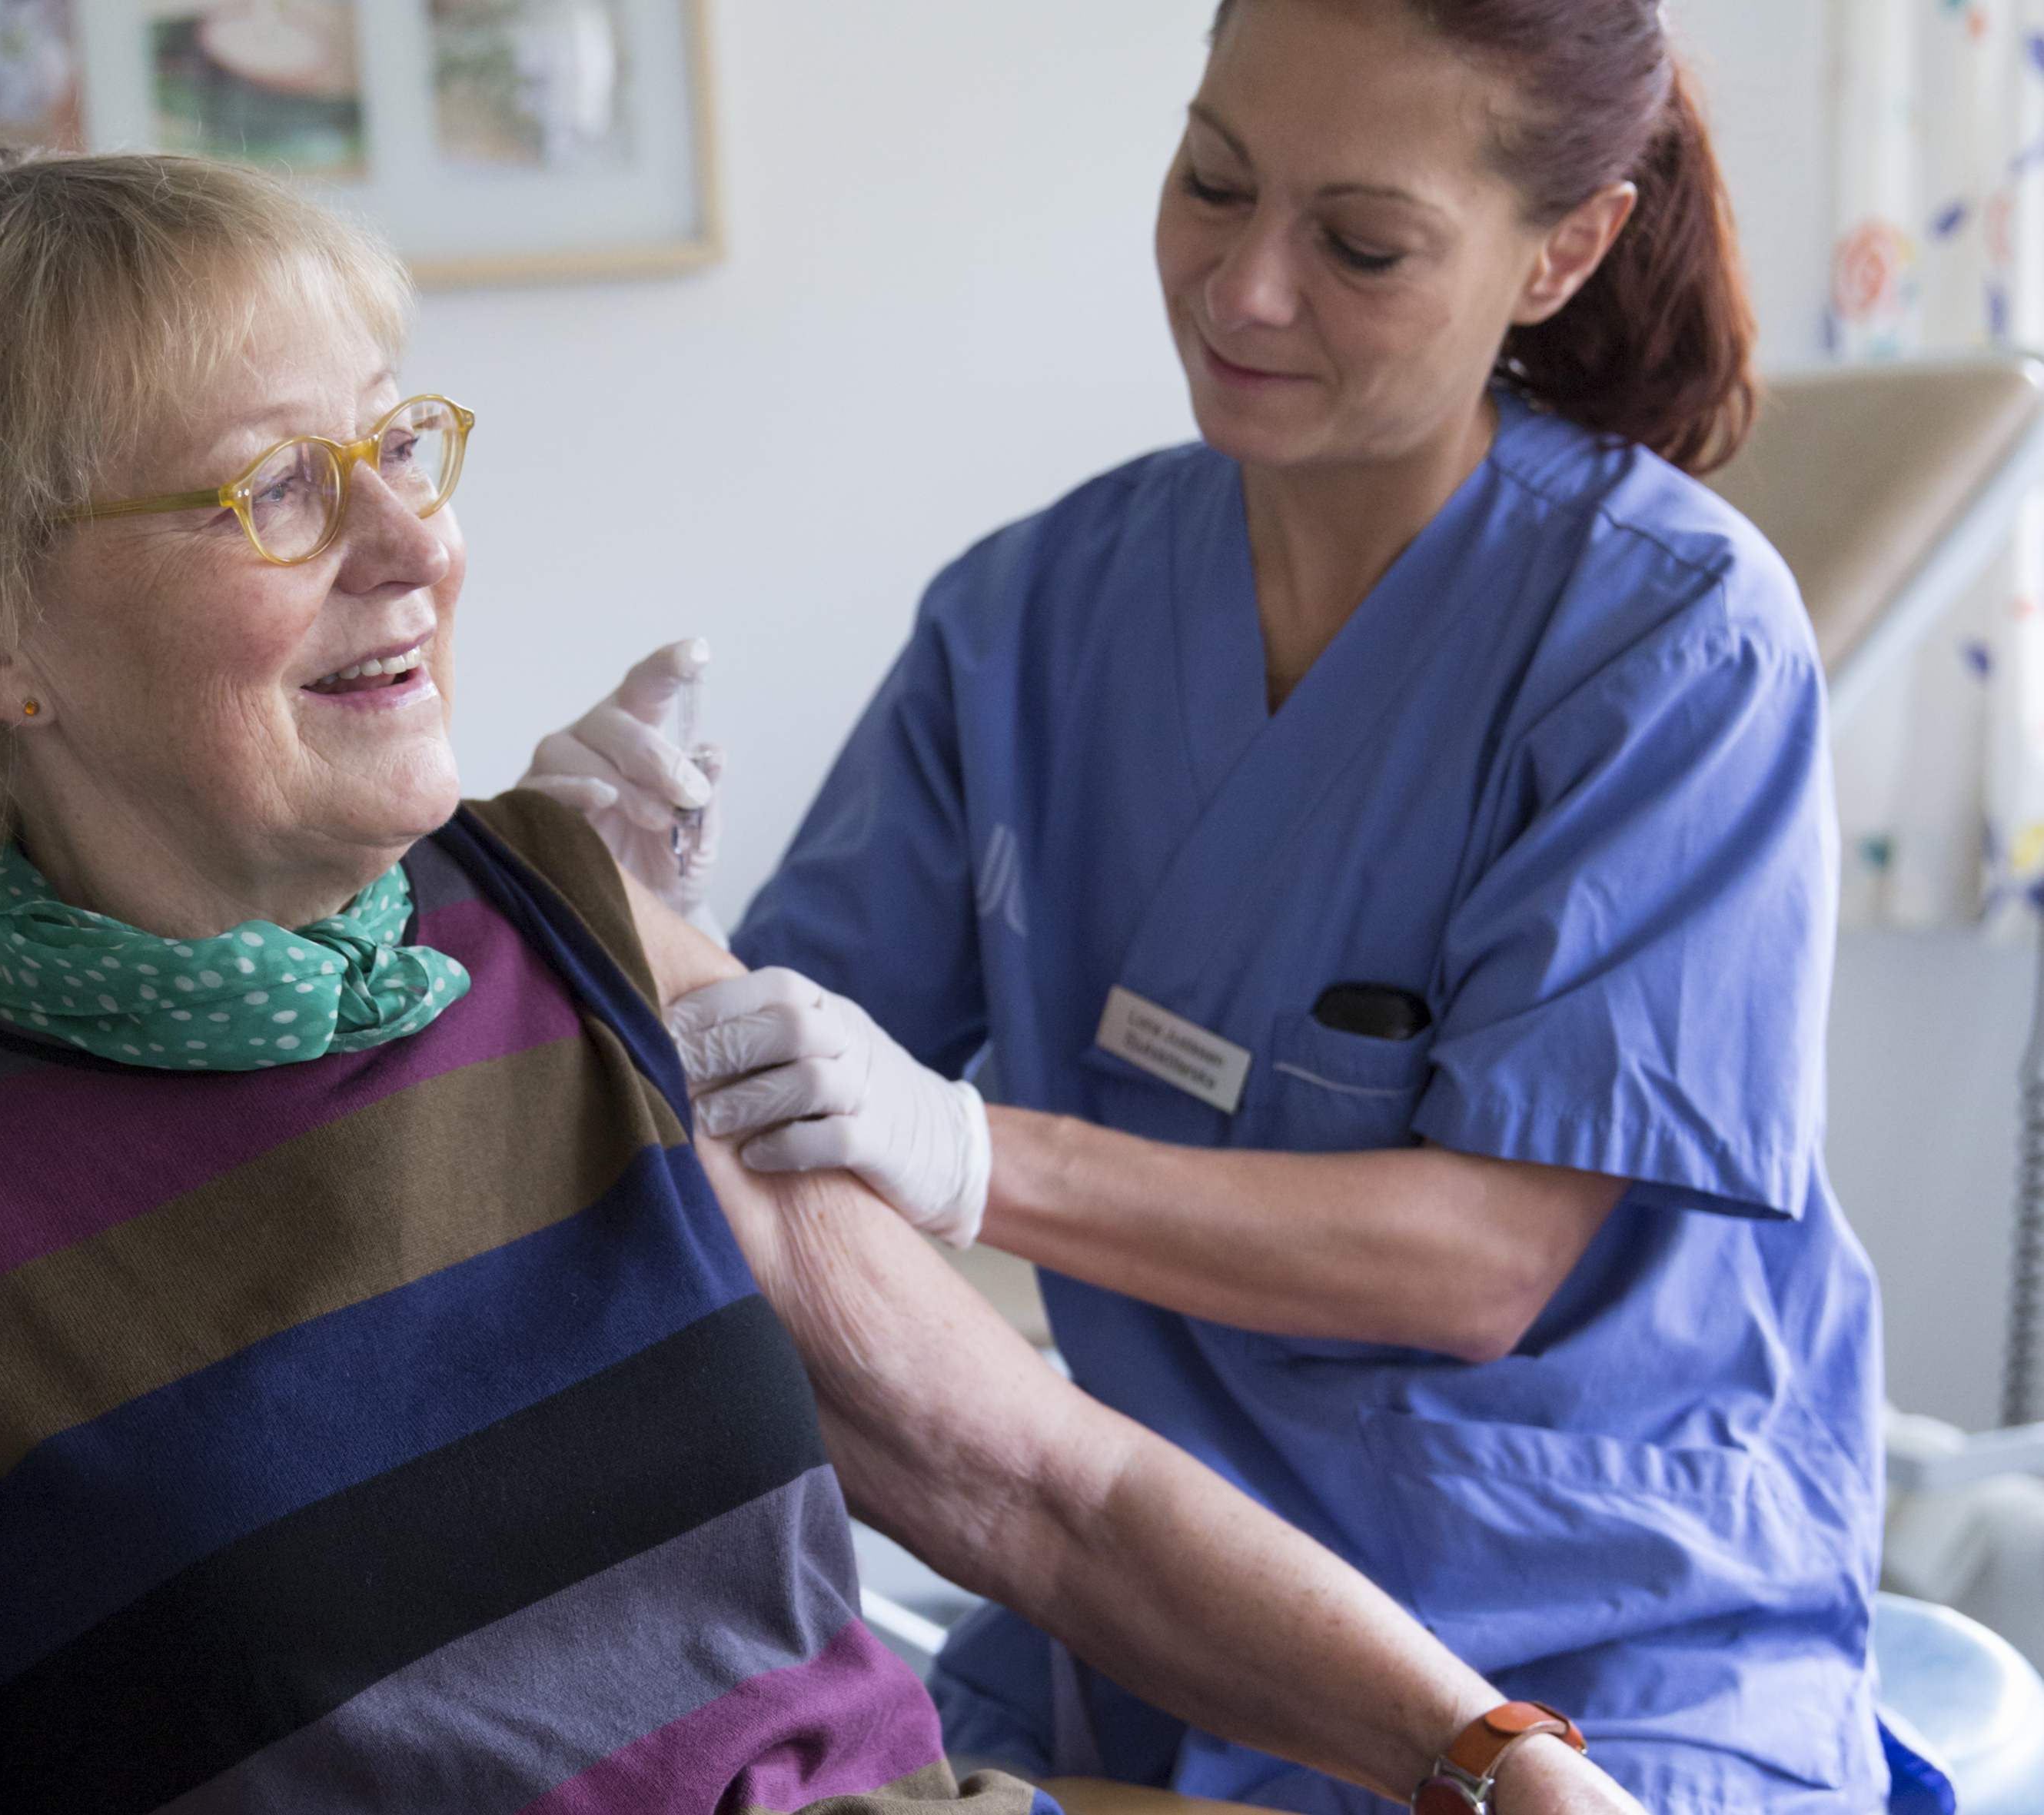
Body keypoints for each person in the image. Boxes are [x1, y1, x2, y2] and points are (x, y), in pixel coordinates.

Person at [0, 148, 1648, 1815]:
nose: (415, 543)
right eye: (279, 489)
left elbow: (1048, 1482)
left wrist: (1488, 1755)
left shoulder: (565, 915)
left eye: (400, 444)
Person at [536, 3, 1884, 1811]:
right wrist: (619, 919)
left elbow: (1477, 1260)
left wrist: (964, 1149)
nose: (1240, 290)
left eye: (1357, 243)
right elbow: (771, 1115)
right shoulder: (1023, 621)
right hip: (1146, 1616)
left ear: (1559, 250)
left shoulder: (1666, 639)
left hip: (1592, 1628)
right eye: (1210, 181)